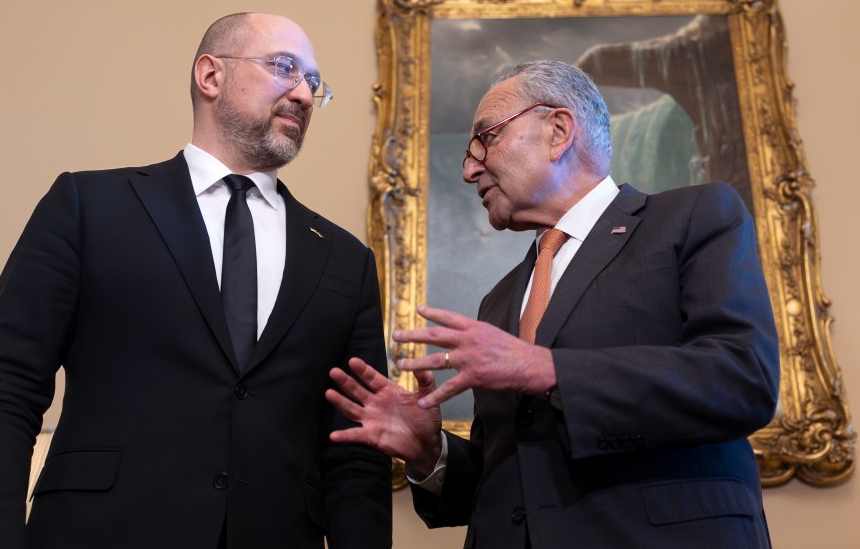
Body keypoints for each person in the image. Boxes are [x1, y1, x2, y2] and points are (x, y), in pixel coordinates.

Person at [0, 13, 391, 549]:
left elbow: (355, 454)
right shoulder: (88, 207)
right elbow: (4, 390)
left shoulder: (346, 261)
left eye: (315, 84)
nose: (303, 94)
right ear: (210, 76)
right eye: (285, 68)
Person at [326, 60, 779, 548]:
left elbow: (742, 378)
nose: (468, 168)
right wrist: (429, 453)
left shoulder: (693, 217)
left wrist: (548, 369)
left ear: (558, 131)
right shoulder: (500, 300)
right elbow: (511, 481)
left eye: (486, 138)